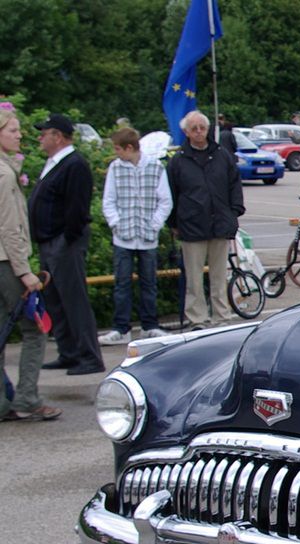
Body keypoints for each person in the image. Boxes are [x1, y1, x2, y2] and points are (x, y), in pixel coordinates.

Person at [27, 114, 104, 374]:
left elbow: (76, 207)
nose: (40, 137)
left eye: (44, 133)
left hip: (64, 242)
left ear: (58, 136)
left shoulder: (74, 165)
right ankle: (69, 351)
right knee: (56, 299)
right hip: (50, 241)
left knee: (73, 300)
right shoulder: (55, 163)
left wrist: (67, 238)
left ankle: (89, 356)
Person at [0, 106, 61, 420]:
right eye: (12, 130)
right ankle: (26, 398)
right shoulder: (4, 173)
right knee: (35, 330)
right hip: (6, 263)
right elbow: (9, 228)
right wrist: (25, 272)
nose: (20, 134)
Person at [166, 110, 244, 329]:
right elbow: (171, 193)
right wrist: (173, 224)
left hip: (220, 223)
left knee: (219, 276)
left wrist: (234, 212)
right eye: (194, 129)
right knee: (194, 278)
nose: (199, 132)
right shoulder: (178, 160)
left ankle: (221, 315)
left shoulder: (222, 155)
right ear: (186, 132)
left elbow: (234, 184)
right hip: (191, 225)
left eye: (202, 127)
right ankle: (197, 318)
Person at [99, 127, 172, 344]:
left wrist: (155, 224)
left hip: (148, 236)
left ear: (130, 148)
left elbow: (165, 200)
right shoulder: (115, 168)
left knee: (149, 282)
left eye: (118, 148)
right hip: (123, 236)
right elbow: (109, 200)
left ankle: (150, 325)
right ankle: (121, 328)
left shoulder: (155, 166)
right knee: (122, 283)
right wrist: (116, 224)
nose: (116, 152)